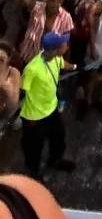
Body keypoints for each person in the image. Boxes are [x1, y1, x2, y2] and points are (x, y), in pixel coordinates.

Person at [19, 31, 77, 179]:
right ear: (55, 49)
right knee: (34, 148)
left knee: (58, 137)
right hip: (35, 117)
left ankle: (55, 160)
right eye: (64, 44)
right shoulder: (32, 69)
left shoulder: (56, 58)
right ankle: (33, 174)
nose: (67, 45)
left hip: (51, 109)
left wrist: (75, 67)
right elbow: (22, 92)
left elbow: (64, 64)